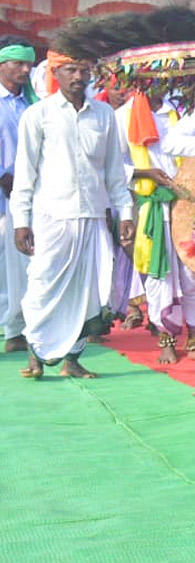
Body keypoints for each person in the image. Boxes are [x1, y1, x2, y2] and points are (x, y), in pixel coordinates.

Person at [10, 52, 133, 379]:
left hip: (93, 216)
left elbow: (115, 173)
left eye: (83, 69)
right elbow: (25, 173)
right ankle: (36, 351)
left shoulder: (105, 115)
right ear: (56, 72)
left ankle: (73, 360)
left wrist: (126, 212)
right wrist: (21, 221)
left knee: (88, 290)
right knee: (43, 282)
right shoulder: (38, 115)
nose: (78, 76)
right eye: (70, 70)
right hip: (52, 215)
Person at [114, 91, 195, 363]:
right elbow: (111, 165)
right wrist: (145, 174)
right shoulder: (123, 116)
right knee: (158, 275)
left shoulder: (183, 108)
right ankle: (166, 337)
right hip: (151, 204)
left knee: (192, 271)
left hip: (187, 203)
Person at [0, 37, 37, 352]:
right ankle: (12, 330)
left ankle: (19, 329)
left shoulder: (33, 104)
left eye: (29, 63)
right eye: (18, 63)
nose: (25, 69)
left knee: (23, 264)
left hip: (28, 197)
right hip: (4, 197)